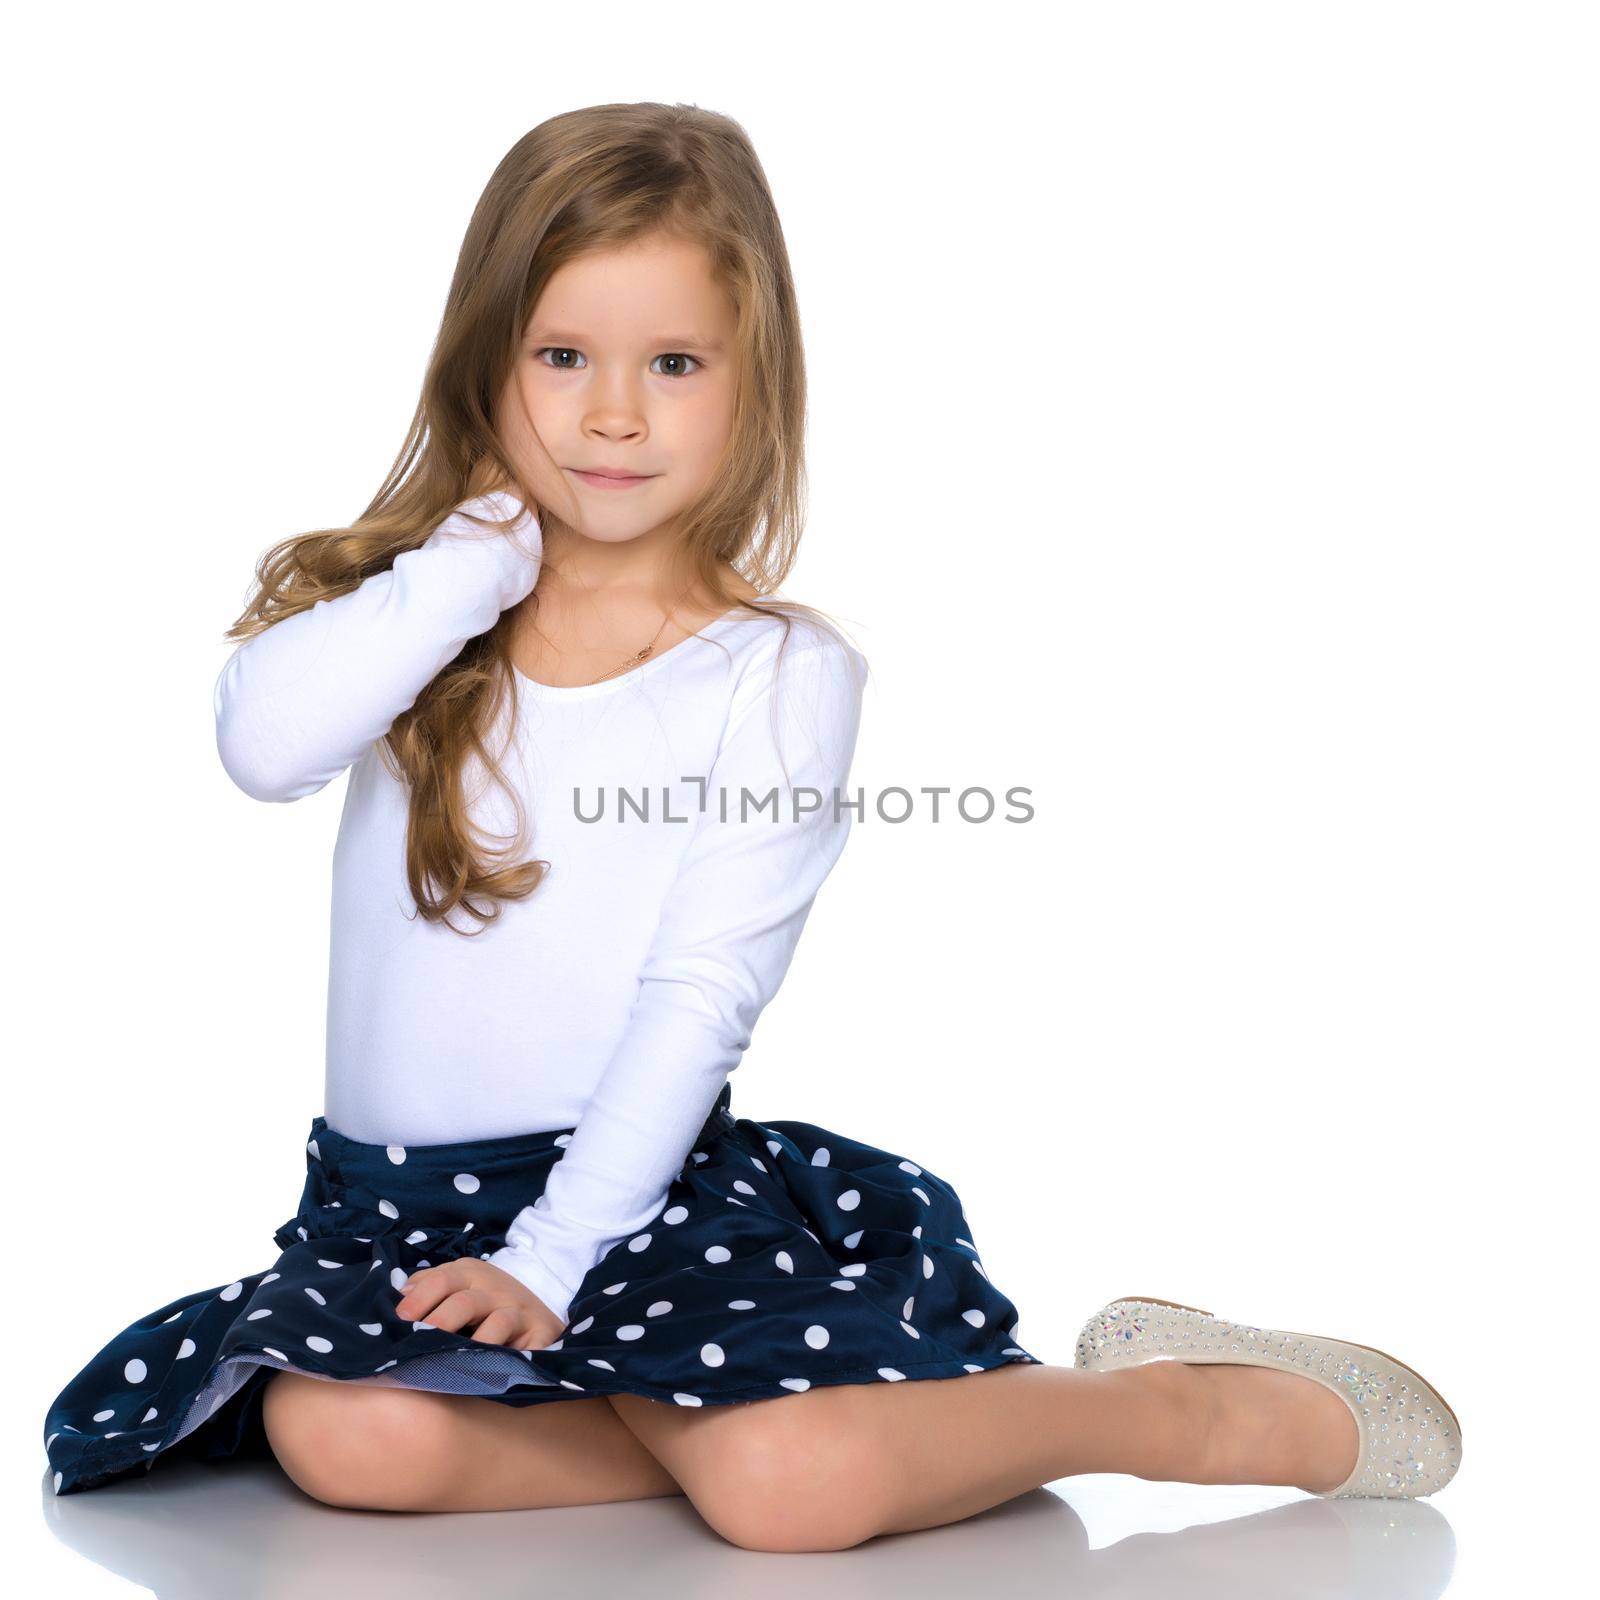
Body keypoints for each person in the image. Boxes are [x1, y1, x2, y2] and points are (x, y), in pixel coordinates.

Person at [41, 102, 1459, 1549]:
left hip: (627, 1197)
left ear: (753, 381)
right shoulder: (426, 619)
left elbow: (698, 995)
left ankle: (1167, 1405)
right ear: (489, 361)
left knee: (790, 1501)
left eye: (672, 364)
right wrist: (460, 570)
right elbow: (262, 747)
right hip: (394, 1212)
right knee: (344, 1435)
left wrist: (553, 1253)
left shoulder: (775, 676)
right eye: (561, 357)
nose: (611, 413)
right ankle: (740, 1425)